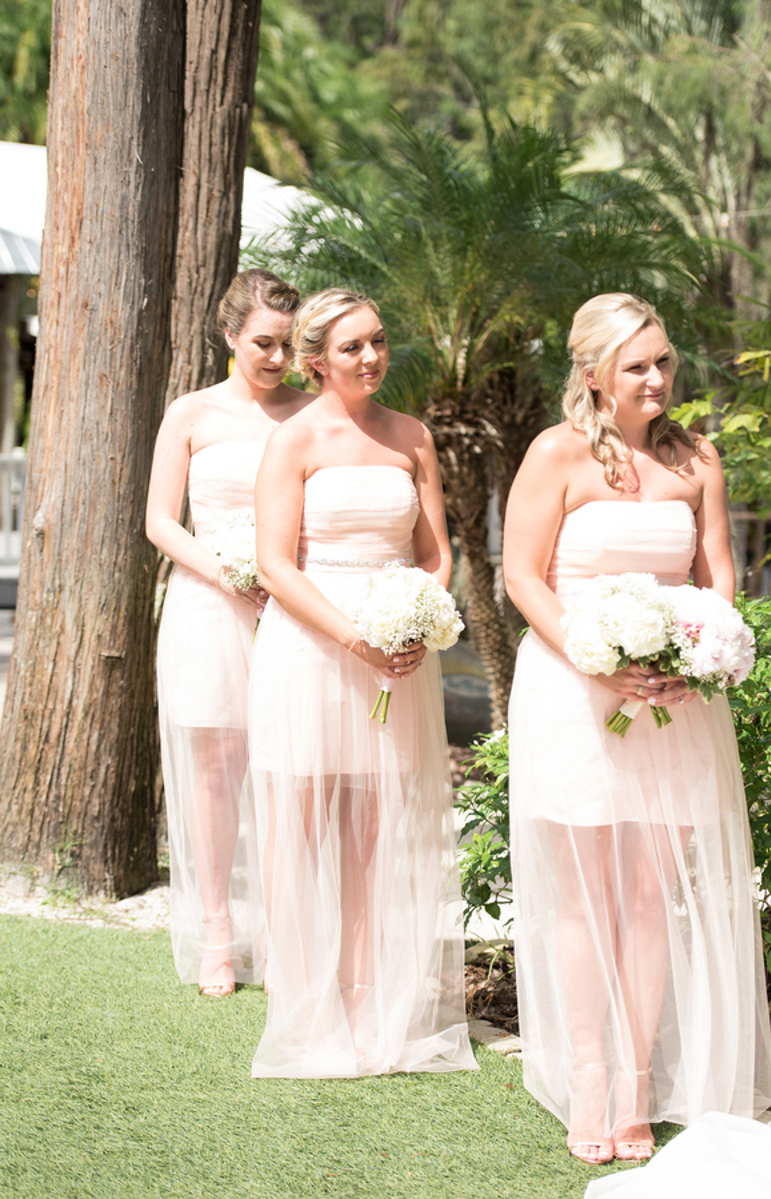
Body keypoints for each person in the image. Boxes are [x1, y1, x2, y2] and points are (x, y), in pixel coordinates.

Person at [503, 294, 771, 1164]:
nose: (657, 378)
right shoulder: (557, 454)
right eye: (638, 366)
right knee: (586, 896)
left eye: (663, 361)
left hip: (674, 707)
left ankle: (636, 1084)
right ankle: (589, 1074)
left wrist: (701, 659)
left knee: (654, 895)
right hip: (575, 695)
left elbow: (720, 573)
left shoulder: (699, 459)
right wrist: (594, 658)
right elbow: (521, 575)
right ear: (594, 375)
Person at [248, 288, 477, 1078]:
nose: (373, 357)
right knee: (303, 820)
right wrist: (355, 635)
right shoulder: (294, 440)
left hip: (398, 654)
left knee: (377, 831)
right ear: (315, 361)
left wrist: (412, 619)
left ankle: (366, 998)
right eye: (353, 348)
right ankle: (305, 1004)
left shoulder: (412, 436)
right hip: (314, 648)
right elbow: (276, 563)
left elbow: (435, 551)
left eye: (378, 341)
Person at [146, 268, 309, 996]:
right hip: (209, 605)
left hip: (289, 610)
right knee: (215, 767)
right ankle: (217, 927)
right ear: (230, 335)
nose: (277, 359)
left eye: (288, 345)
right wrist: (224, 570)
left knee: (285, 769)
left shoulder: (309, 415)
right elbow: (158, 521)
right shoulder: (191, 413)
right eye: (264, 343)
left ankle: (280, 931)